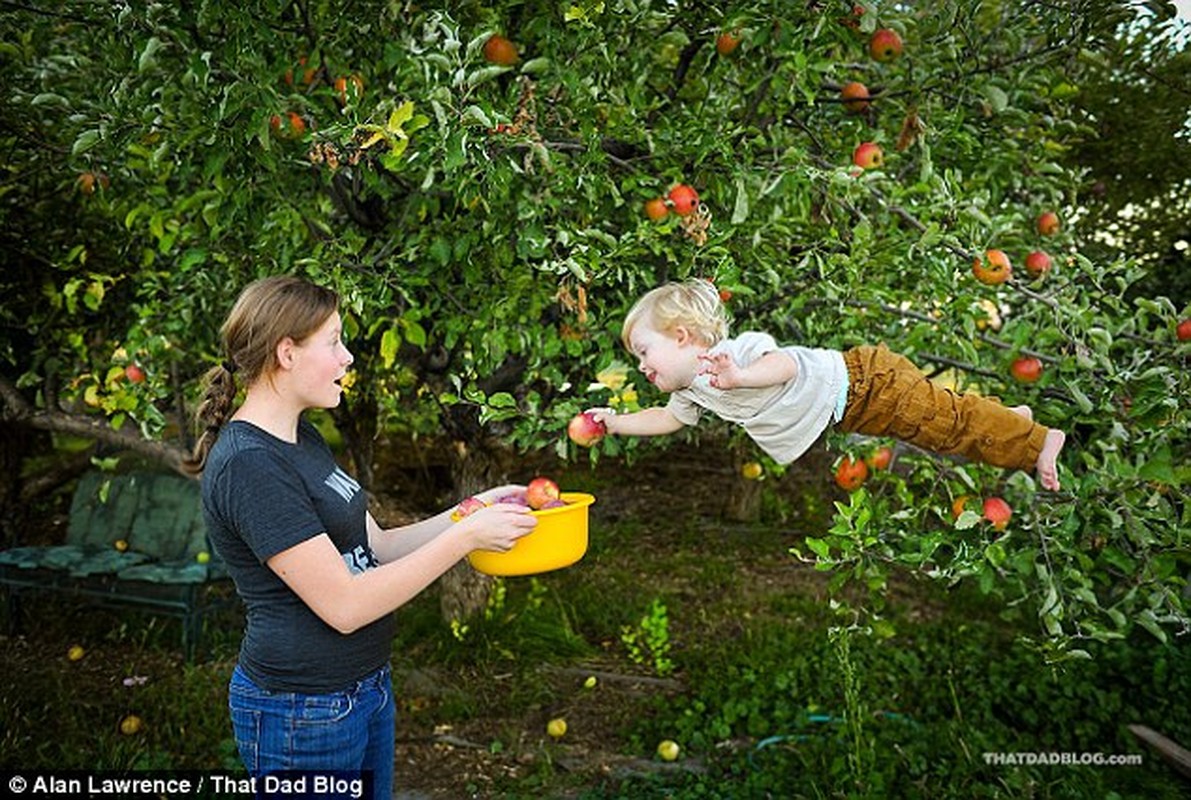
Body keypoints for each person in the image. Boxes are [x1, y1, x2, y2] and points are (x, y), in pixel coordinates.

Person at [184, 275, 537, 799]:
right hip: (303, 713)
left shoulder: (300, 435)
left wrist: (472, 510)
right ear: (286, 352)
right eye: (334, 342)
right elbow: (344, 605)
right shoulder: (250, 465)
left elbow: (377, 548)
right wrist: (465, 541)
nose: (348, 357)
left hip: (364, 688)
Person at [587, 279, 1066, 491]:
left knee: (945, 428)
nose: (643, 367)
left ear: (682, 336)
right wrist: (614, 424)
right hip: (857, 410)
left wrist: (741, 377)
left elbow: (786, 366)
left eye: (644, 353)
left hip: (867, 383)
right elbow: (666, 419)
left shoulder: (731, 356)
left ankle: (1041, 442)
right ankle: (1008, 422)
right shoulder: (689, 391)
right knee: (946, 422)